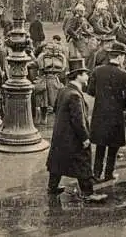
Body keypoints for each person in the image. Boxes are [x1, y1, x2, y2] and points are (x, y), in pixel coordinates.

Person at [46, 58, 107, 202]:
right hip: (72, 137)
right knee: (83, 162)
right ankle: (87, 193)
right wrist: (85, 138)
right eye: (85, 73)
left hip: (61, 136)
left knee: (57, 161)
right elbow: (78, 120)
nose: (88, 76)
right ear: (78, 75)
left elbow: (55, 109)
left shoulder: (64, 90)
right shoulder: (74, 95)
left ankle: (52, 187)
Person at [87, 42, 126, 182]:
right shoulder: (124, 74)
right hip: (116, 115)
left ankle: (96, 173)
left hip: (100, 113)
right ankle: (109, 173)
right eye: (123, 56)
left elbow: (90, 91)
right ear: (119, 57)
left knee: (100, 145)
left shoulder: (97, 71)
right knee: (113, 147)